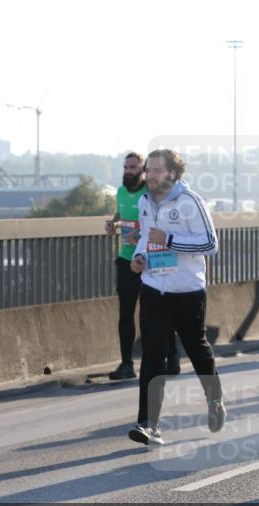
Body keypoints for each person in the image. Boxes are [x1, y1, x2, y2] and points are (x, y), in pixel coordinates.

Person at [127, 149, 224, 446]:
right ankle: (148, 423)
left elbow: (210, 243)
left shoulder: (190, 201)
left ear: (172, 173)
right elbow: (146, 235)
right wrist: (139, 256)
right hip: (154, 288)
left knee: (197, 349)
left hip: (187, 291)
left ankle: (214, 401)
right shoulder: (145, 201)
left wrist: (169, 240)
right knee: (153, 355)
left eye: (157, 170)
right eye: (149, 169)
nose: (150, 175)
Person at [104, 153, 179, 380]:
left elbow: (165, 220)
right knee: (125, 313)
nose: (128, 171)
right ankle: (127, 364)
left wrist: (143, 233)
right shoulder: (120, 191)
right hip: (127, 259)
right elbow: (122, 212)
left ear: (143, 170)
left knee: (160, 312)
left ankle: (172, 357)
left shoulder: (152, 193)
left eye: (133, 167)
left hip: (152, 260)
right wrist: (113, 223)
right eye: (126, 167)